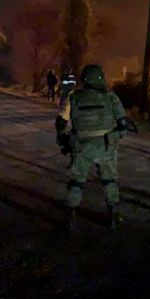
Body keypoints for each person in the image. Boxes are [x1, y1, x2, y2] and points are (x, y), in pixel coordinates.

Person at [55, 64, 129, 230]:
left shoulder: (74, 97)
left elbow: (61, 122)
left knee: (76, 181)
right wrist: (117, 137)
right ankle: (112, 216)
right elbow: (123, 125)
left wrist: (63, 138)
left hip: (81, 146)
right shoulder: (111, 97)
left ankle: (70, 218)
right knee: (109, 180)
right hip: (106, 146)